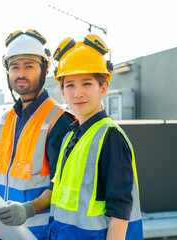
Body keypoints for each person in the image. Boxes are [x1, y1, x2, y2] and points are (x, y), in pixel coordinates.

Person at [47, 34, 143, 239]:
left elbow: (120, 211)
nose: (78, 93)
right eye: (70, 84)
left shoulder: (110, 137)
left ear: (103, 89)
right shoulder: (70, 138)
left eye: (87, 83)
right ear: (62, 92)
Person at [0, 29, 74, 240]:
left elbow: (61, 185)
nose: (21, 74)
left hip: (37, 232)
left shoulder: (59, 121)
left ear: (44, 68)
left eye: (29, 66)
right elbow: (8, 165)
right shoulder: (7, 118)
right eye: (15, 67)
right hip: (4, 228)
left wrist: (27, 209)